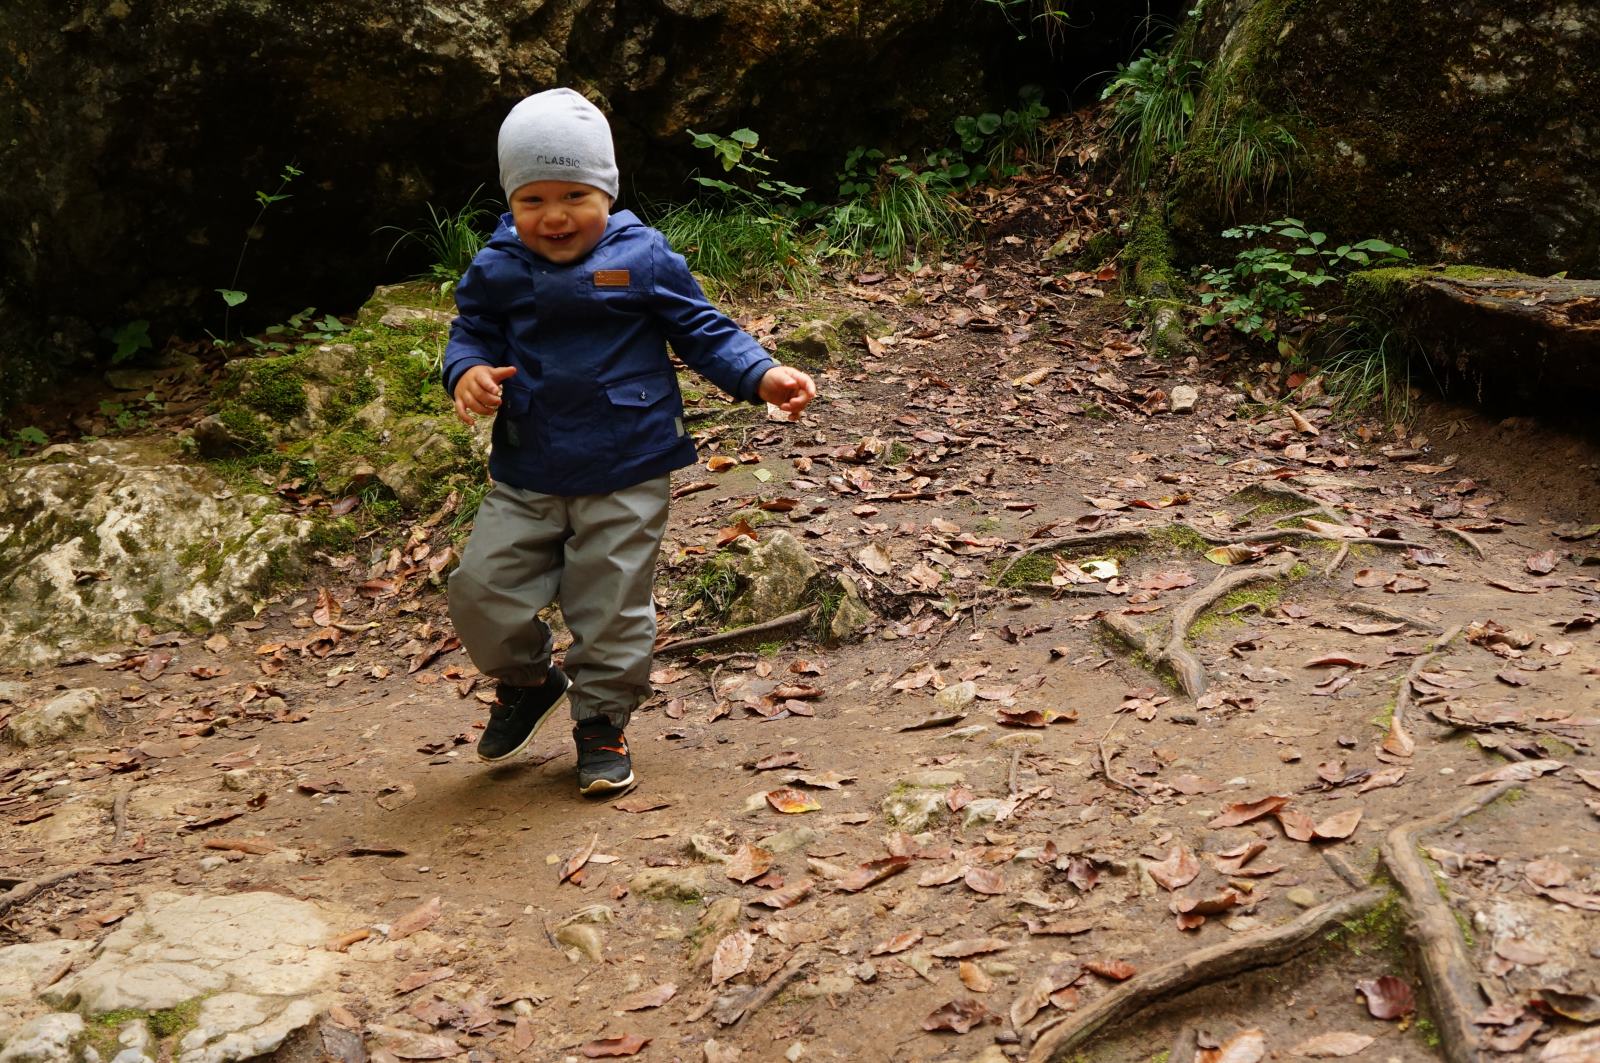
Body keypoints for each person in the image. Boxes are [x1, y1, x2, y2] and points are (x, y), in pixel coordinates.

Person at [442, 88, 816, 796]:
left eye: (575, 195)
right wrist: (466, 372)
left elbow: (703, 330)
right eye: (533, 200)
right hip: (530, 463)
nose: (554, 216)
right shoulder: (497, 264)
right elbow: (471, 332)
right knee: (481, 589)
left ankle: (601, 721)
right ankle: (527, 680)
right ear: (511, 201)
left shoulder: (641, 257)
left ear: (607, 191)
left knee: (610, 602)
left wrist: (761, 374)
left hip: (628, 461)